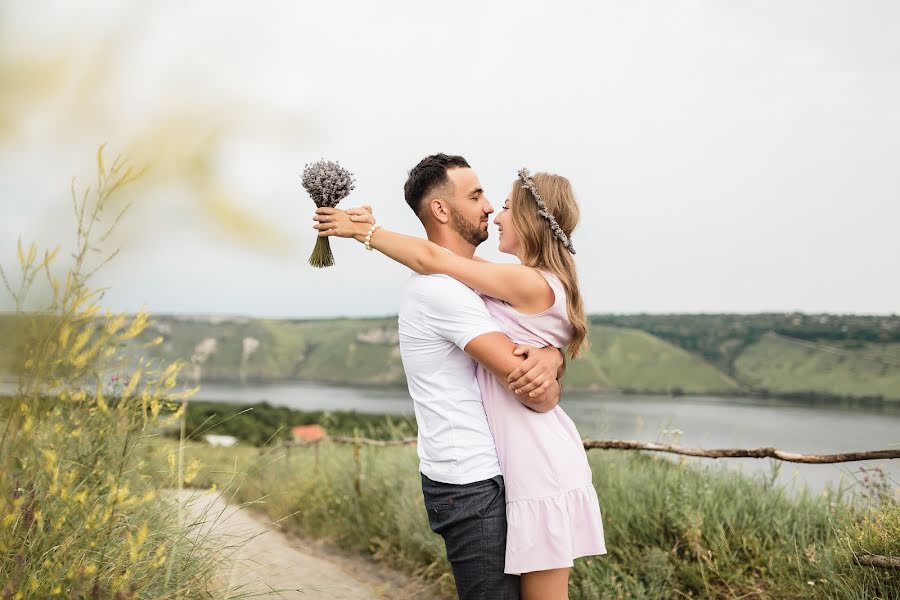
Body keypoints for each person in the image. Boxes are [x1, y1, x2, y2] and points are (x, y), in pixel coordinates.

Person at [313, 154, 606, 600]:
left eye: (502, 202)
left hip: (527, 463)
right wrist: (550, 356)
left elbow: (539, 389)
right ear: (442, 210)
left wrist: (551, 359)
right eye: (480, 196)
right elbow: (433, 261)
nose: (491, 208)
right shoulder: (447, 288)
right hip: (481, 478)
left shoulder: (504, 282)